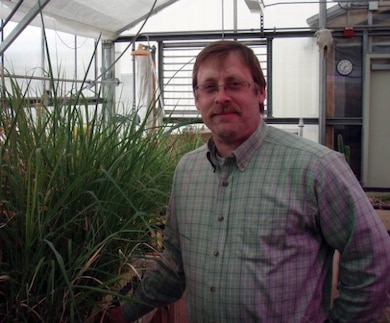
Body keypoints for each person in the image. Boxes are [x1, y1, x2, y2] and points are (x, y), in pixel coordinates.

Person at [100, 40, 390, 322]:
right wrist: (123, 313)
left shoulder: (315, 167)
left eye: (234, 84)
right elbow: (174, 267)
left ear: (260, 92)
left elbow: (373, 259)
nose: (221, 97)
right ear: (197, 99)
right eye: (210, 87)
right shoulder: (187, 171)